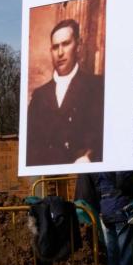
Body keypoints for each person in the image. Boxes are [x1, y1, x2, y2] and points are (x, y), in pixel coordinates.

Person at [26, 18, 105, 166]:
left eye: (66, 44)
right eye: (55, 47)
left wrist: (89, 156)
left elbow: (102, 134)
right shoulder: (39, 96)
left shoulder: (96, 86)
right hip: (48, 178)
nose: (60, 53)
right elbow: (31, 144)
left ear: (78, 45)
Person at [95, 172, 133, 265]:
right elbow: (123, 181)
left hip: (107, 210)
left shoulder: (103, 161)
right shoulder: (121, 161)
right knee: (125, 260)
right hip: (122, 209)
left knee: (114, 260)